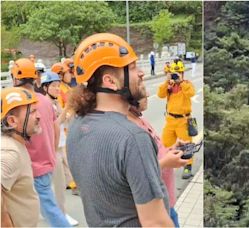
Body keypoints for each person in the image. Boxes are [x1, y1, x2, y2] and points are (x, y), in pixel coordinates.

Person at [66, 33, 174, 227]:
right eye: (132, 67)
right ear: (110, 81)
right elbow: (156, 223)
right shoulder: (133, 138)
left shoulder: (76, 124)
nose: (141, 73)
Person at [10, 58, 70, 227]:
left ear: (15, 79)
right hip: (47, 162)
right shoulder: (44, 100)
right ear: (36, 78)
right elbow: (56, 129)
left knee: (48, 210)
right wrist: (50, 151)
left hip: (32, 166)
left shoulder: (18, 103)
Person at [127, 94, 188, 227]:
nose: (148, 95)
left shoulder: (141, 119)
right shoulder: (131, 131)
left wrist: (171, 150)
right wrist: (166, 163)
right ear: (130, 99)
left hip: (167, 201)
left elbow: (158, 152)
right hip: (156, 206)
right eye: (142, 94)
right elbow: (140, 174)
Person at [40, 71, 79, 226]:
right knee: (58, 187)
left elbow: (62, 122)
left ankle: (51, 213)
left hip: (61, 146)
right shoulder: (46, 103)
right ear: (45, 87)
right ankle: (61, 216)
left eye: (58, 85)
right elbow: (56, 123)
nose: (57, 88)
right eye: (53, 86)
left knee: (58, 184)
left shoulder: (54, 102)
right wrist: (67, 109)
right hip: (53, 149)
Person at [1, 87, 41, 227]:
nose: (39, 116)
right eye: (32, 112)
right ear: (12, 121)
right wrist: (5, 223)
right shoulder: (10, 152)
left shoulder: (16, 145)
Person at [157, 67, 196, 179]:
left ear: (182, 74)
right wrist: (166, 81)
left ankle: (188, 166)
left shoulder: (186, 84)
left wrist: (181, 82)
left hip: (183, 120)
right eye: (173, 73)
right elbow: (160, 94)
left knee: (186, 145)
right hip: (170, 120)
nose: (175, 75)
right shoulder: (170, 85)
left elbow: (191, 93)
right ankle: (164, 165)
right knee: (164, 144)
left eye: (178, 73)